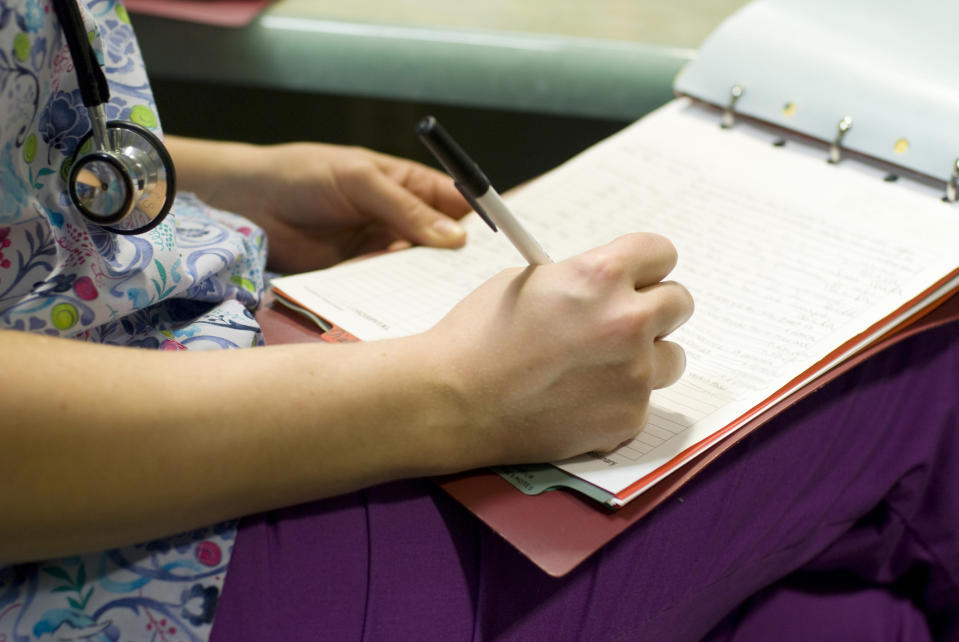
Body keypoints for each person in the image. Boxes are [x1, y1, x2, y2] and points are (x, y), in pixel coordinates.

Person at [2, 2, 958, 642]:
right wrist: (455, 395)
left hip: (182, 366)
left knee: (840, 615)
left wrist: (196, 180)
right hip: (128, 571)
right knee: (923, 379)